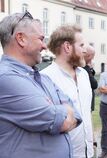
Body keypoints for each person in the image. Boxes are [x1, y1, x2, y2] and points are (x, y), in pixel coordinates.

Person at [0, 12, 82, 158]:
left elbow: (76, 114)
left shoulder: (43, 78)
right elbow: (62, 122)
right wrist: (62, 110)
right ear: (21, 39)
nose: (45, 46)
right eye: (41, 39)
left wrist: (58, 109)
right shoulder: (6, 78)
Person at [41, 25, 94, 158]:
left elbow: (87, 112)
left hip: (88, 153)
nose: (85, 50)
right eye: (81, 45)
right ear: (67, 47)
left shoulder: (84, 74)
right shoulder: (45, 78)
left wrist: (93, 142)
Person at [83, 45, 98, 112]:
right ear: (90, 56)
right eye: (93, 56)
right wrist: (89, 68)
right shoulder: (83, 67)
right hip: (85, 103)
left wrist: (91, 68)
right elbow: (94, 84)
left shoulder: (86, 67)